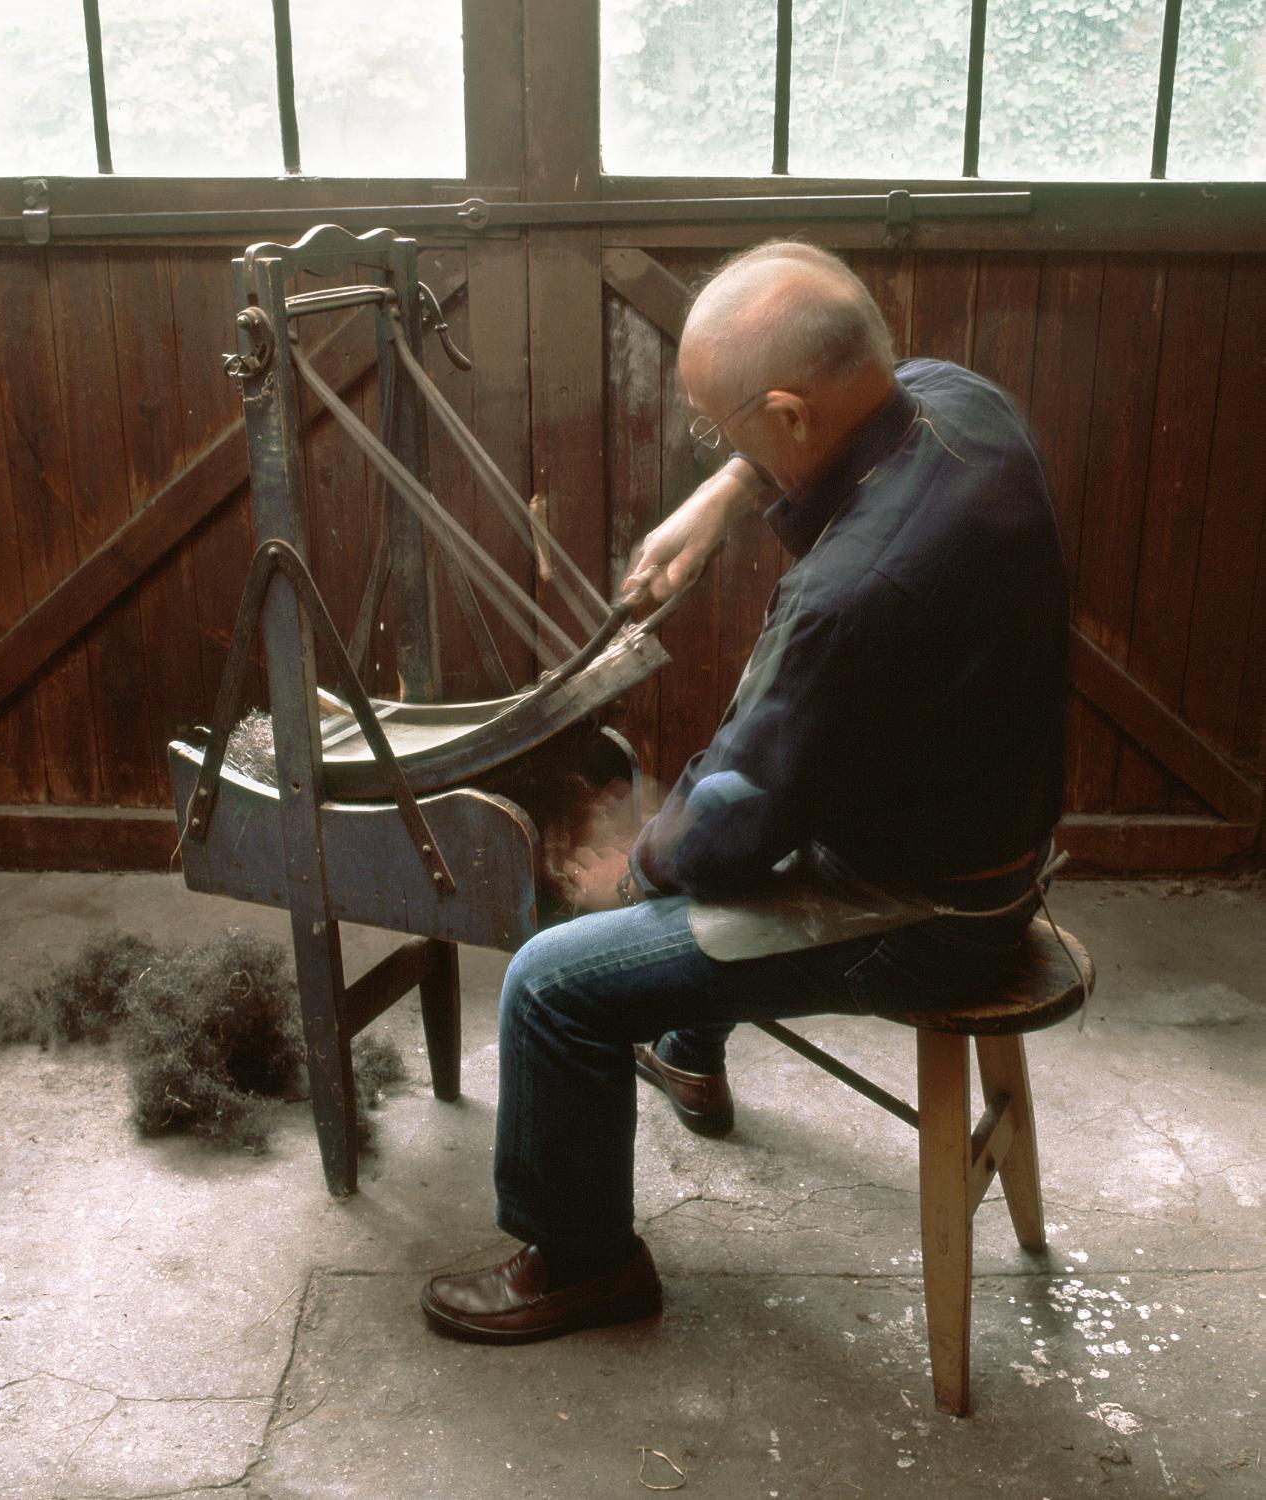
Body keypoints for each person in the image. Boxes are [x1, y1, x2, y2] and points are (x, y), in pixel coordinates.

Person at [419, 240, 1070, 1343]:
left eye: (721, 430)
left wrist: (627, 870)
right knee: (718, 836)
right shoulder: (965, 403)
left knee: (552, 982)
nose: (717, 448)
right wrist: (723, 493)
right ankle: (691, 1048)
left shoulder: (847, 598)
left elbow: (735, 829)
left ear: (790, 413)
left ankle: (581, 1262)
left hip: (925, 916)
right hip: (996, 835)